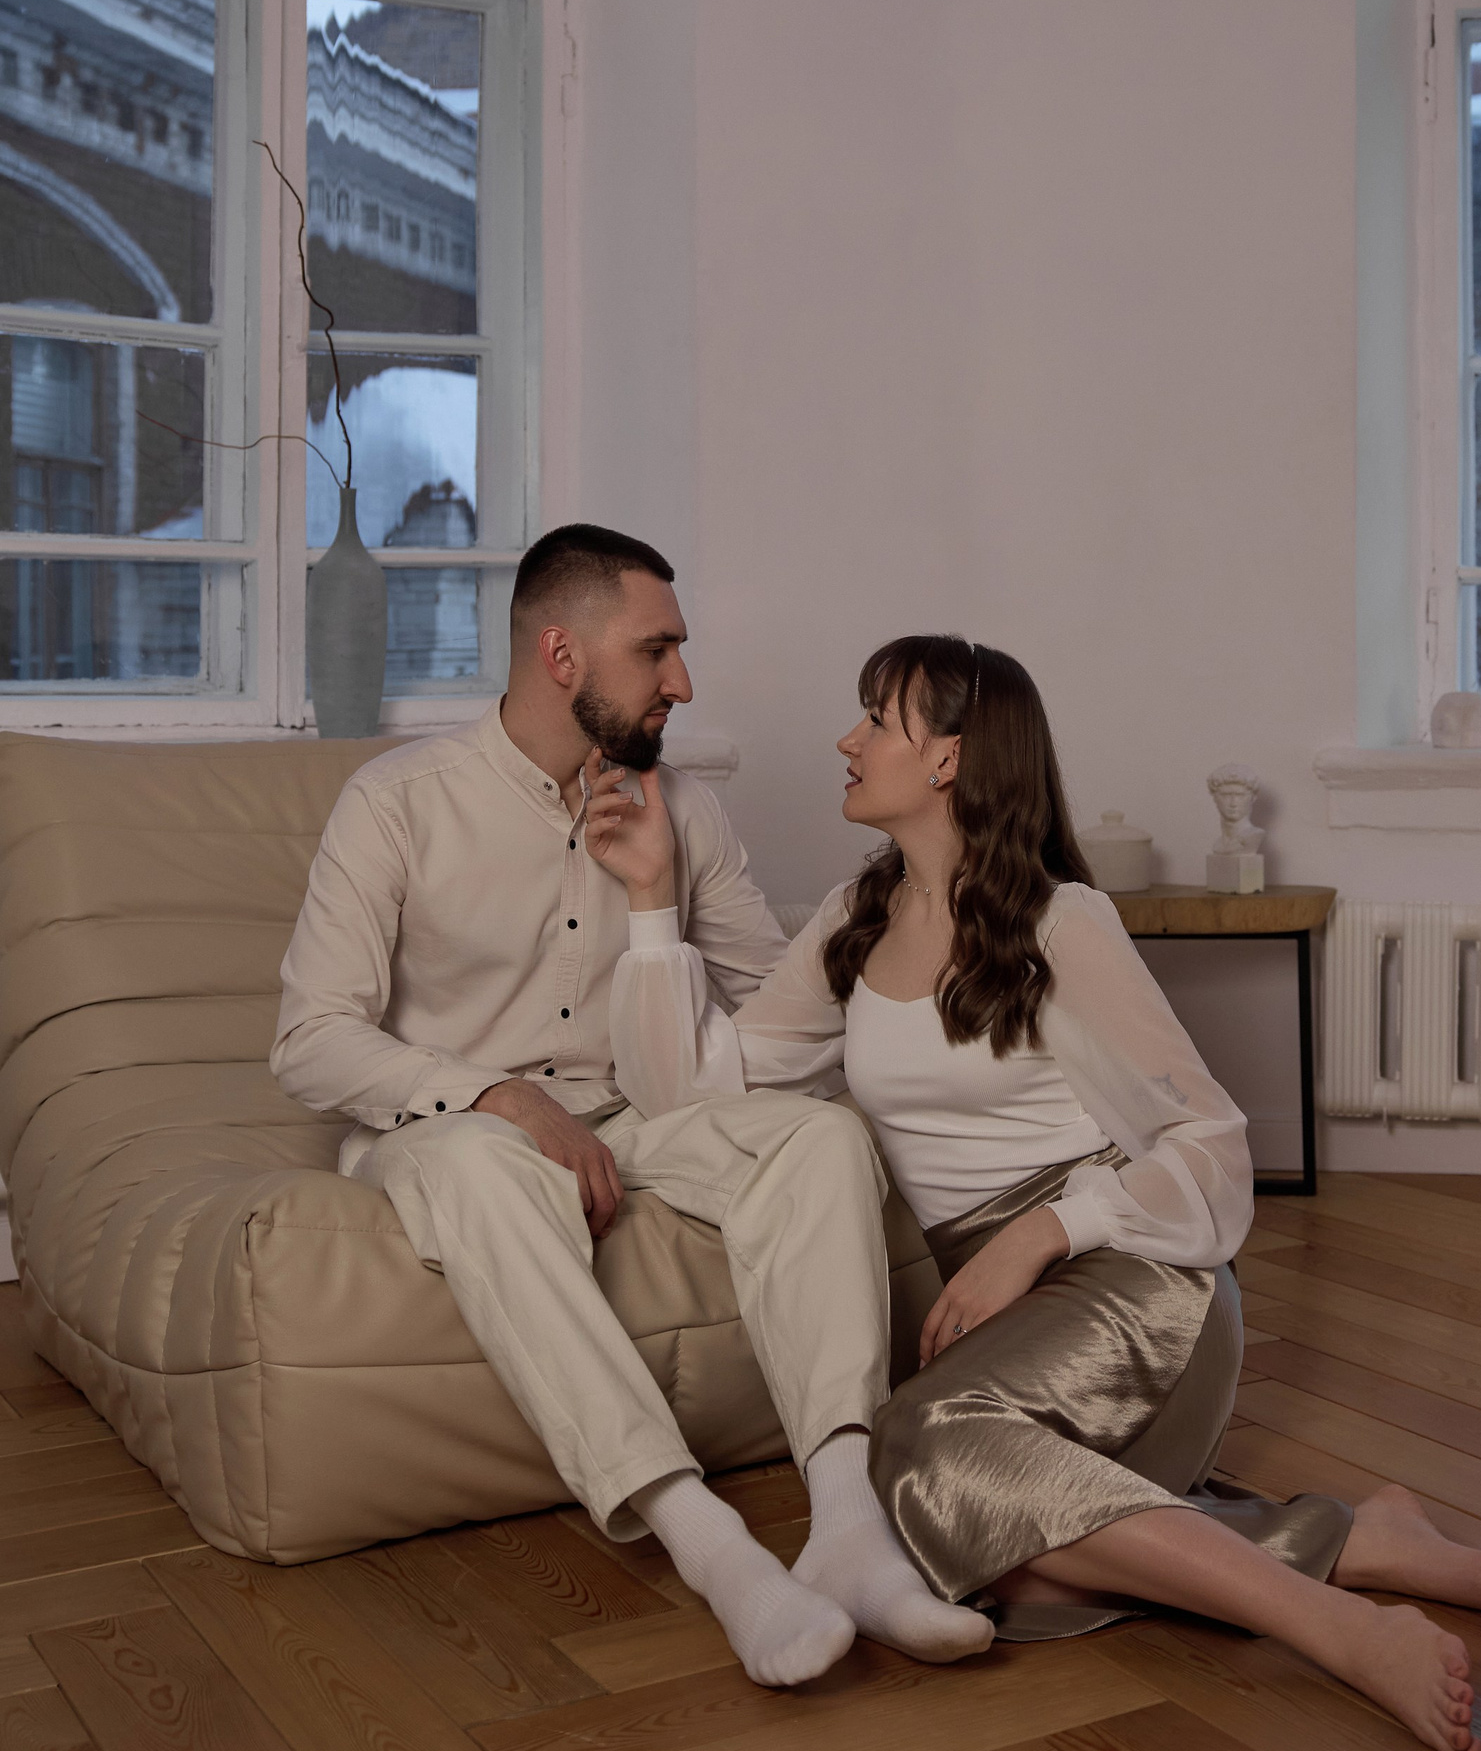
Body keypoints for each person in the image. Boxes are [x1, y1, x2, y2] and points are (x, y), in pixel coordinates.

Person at [592, 632, 1481, 1751]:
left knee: (912, 1454)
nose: (847, 740)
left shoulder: (1062, 923)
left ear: (948, 756)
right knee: (955, 1539)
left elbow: (1214, 1145)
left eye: (877, 720)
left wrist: (1046, 1231)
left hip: (1131, 1285)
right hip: (1002, 1324)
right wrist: (650, 901)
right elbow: (692, 1091)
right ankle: (1346, 1540)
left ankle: (1338, 1629)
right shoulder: (855, 918)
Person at [272, 527, 989, 1688]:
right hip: (446, 1131)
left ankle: (851, 1525)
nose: (684, 681)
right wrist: (498, 1095)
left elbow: (780, 1006)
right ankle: (712, 1547)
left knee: (819, 1137)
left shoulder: (683, 811)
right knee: (483, 1165)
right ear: (562, 653)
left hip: (637, 1114)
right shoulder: (395, 802)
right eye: (657, 650)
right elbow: (311, 1038)